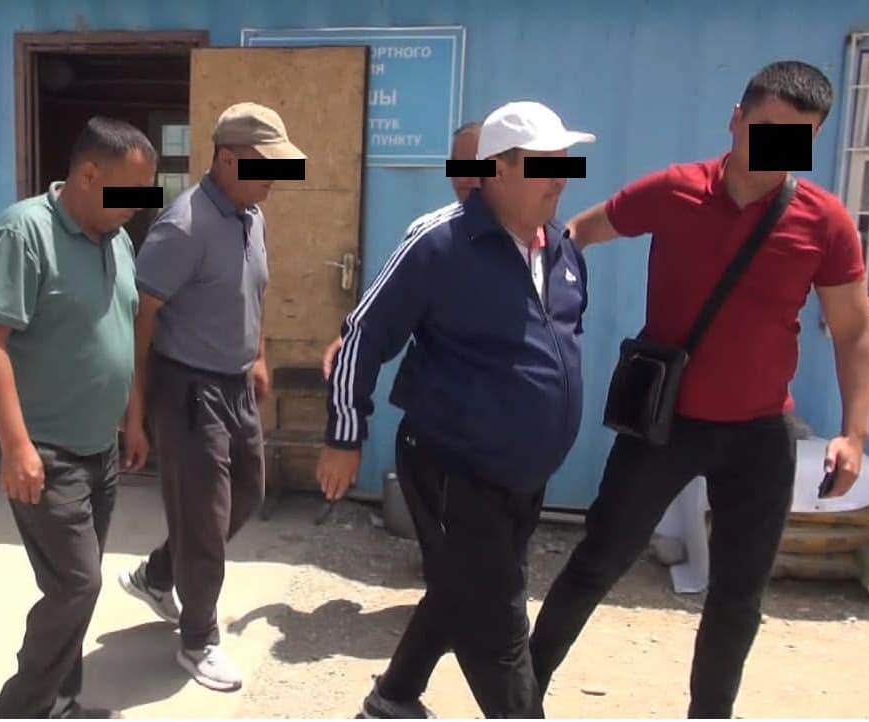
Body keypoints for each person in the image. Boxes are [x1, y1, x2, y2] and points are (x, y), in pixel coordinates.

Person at [528, 60, 869, 719]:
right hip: (664, 424)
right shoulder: (675, 191)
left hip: (759, 435)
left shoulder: (823, 222)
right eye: (766, 128)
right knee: (598, 561)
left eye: (796, 137)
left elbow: (853, 330)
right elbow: (577, 235)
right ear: (736, 119)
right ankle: (520, 697)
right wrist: (541, 318)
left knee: (738, 597)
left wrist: (854, 434)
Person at [318, 100, 595, 719]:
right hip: (453, 466)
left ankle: (393, 697)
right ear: (498, 169)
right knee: (497, 621)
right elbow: (363, 334)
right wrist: (344, 434)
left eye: (565, 164)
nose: (561, 180)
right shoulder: (440, 244)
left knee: (458, 586)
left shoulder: (562, 250)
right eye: (545, 166)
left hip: (524, 474)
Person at [0, 116, 157, 720]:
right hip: (45, 449)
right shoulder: (23, 232)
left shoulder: (117, 239)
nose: (139, 204)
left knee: (75, 584)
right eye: (131, 190)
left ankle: (61, 697)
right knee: (77, 584)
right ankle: (20, 708)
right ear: (88, 174)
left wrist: (133, 418)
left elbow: (121, 333)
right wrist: (15, 446)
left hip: (100, 445)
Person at [116, 102, 305, 693]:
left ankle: (157, 574)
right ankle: (198, 639)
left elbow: (258, 291)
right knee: (204, 521)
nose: (275, 177)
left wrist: (259, 355)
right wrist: (135, 412)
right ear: (226, 158)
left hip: (235, 383)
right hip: (188, 390)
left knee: (248, 494)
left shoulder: (252, 216)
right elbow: (140, 317)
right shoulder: (184, 226)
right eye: (265, 164)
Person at [321, 121, 483, 379]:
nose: (465, 178)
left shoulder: (534, 240)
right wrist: (355, 344)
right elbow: (384, 313)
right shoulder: (431, 237)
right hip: (439, 400)